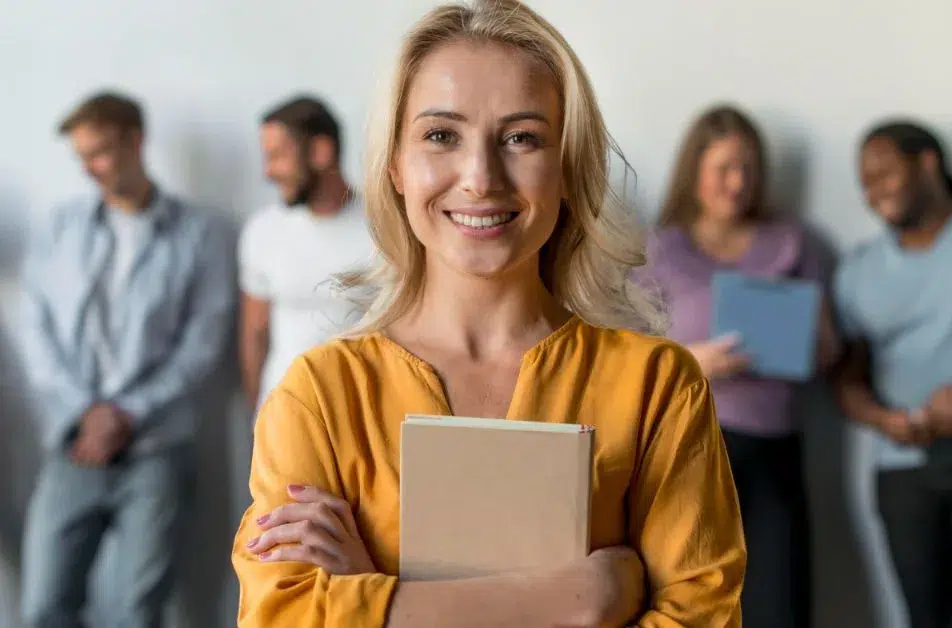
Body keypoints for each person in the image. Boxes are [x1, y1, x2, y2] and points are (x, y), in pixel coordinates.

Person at [231, 1, 746, 626]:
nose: (480, 177)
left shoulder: (657, 385)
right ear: (394, 164)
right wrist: (581, 599)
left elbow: (702, 616)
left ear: (568, 168)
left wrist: (369, 596)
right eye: (441, 135)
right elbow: (281, 615)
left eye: (521, 137)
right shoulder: (319, 395)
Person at [19, 91, 235, 627]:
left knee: (138, 612)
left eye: (100, 153)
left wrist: (125, 414)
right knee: (45, 605)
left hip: (156, 448)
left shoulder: (200, 233)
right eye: (82, 157)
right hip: (73, 445)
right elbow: (35, 327)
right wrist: (84, 414)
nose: (90, 168)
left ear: (135, 141)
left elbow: (201, 345)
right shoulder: (60, 227)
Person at [640, 104, 840, 628]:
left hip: (775, 448)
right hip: (690, 447)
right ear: (695, 172)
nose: (738, 183)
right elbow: (628, 361)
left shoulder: (797, 243)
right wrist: (691, 362)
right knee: (691, 601)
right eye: (724, 168)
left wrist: (811, 346)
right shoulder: (659, 249)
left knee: (780, 601)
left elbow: (830, 350)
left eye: (748, 168)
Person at [832, 120, 952, 628]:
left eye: (884, 174)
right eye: (864, 182)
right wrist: (884, 420)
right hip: (903, 466)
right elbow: (847, 377)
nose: (872, 191)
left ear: (928, 162)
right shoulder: (859, 270)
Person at [238, 96, 374, 410]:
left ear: (320, 151)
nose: (268, 172)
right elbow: (254, 333)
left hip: (362, 416)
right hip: (283, 412)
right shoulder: (262, 230)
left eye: (277, 156)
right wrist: (257, 413)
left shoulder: (386, 228)